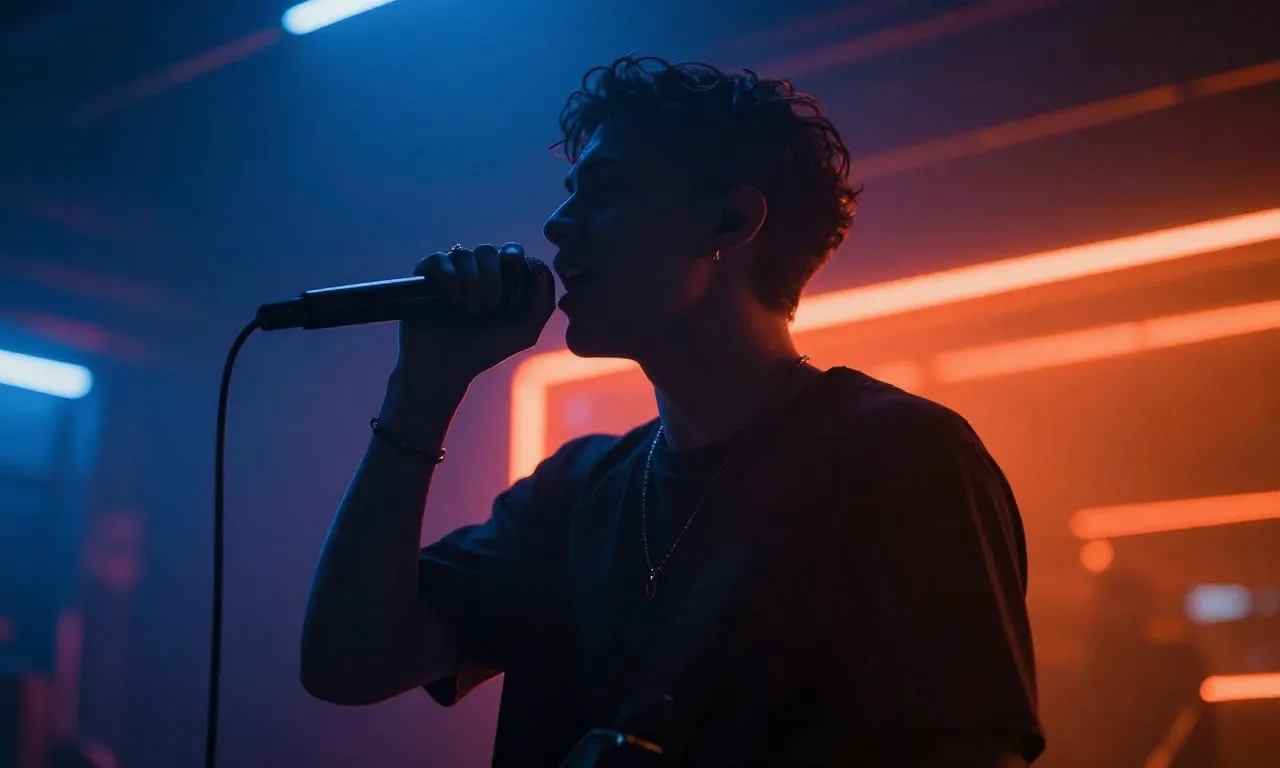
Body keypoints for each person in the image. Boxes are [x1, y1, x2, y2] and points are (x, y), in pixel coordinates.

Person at [300, 55, 1044, 767]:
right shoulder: (572, 493)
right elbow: (349, 663)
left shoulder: (900, 456)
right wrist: (422, 388)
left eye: (605, 191)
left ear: (730, 221)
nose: (557, 224)